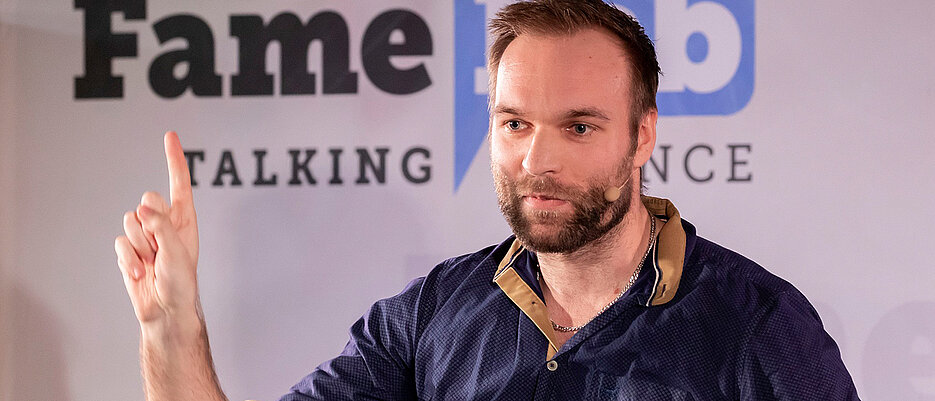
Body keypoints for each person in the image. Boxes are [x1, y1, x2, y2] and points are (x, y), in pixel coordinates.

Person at [114, 0, 860, 399]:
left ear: (641, 136)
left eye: (577, 126)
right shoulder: (431, 315)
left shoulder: (759, 329)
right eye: (513, 123)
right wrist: (171, 328)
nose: (537, 159)